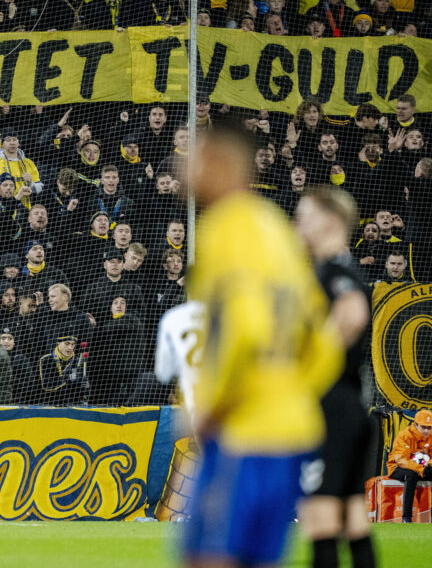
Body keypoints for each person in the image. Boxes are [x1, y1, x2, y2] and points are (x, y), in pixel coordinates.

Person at [182, 123, 341, 568]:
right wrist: (290, 391)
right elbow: (322, 341)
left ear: (220, 164)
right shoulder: (277, 231)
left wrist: (214, 408)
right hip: (292, 431)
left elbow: (246, 329)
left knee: (208, 557)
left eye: (192, 156)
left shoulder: (224, 229)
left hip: (243, 431)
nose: (183, 167)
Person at [294, 188, 377, 568]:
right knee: (353, 517)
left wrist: (312, 367)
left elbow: (353, 312)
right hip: (350, 403)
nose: (297, 225)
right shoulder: (336, 267)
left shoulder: (334, 270)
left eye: (303, 216)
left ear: (329, 222)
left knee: (319, 515)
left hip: (332, 403)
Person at [386, 409, 432, 523]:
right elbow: (401, 460)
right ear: (415, 424)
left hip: (421, 469)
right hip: (397, 468)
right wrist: (421, 469)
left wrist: (431, 466)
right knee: (411, 475)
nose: (426, 430)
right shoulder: (404, 435)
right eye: (423, 427)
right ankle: (406, 518)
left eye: (429, 427)